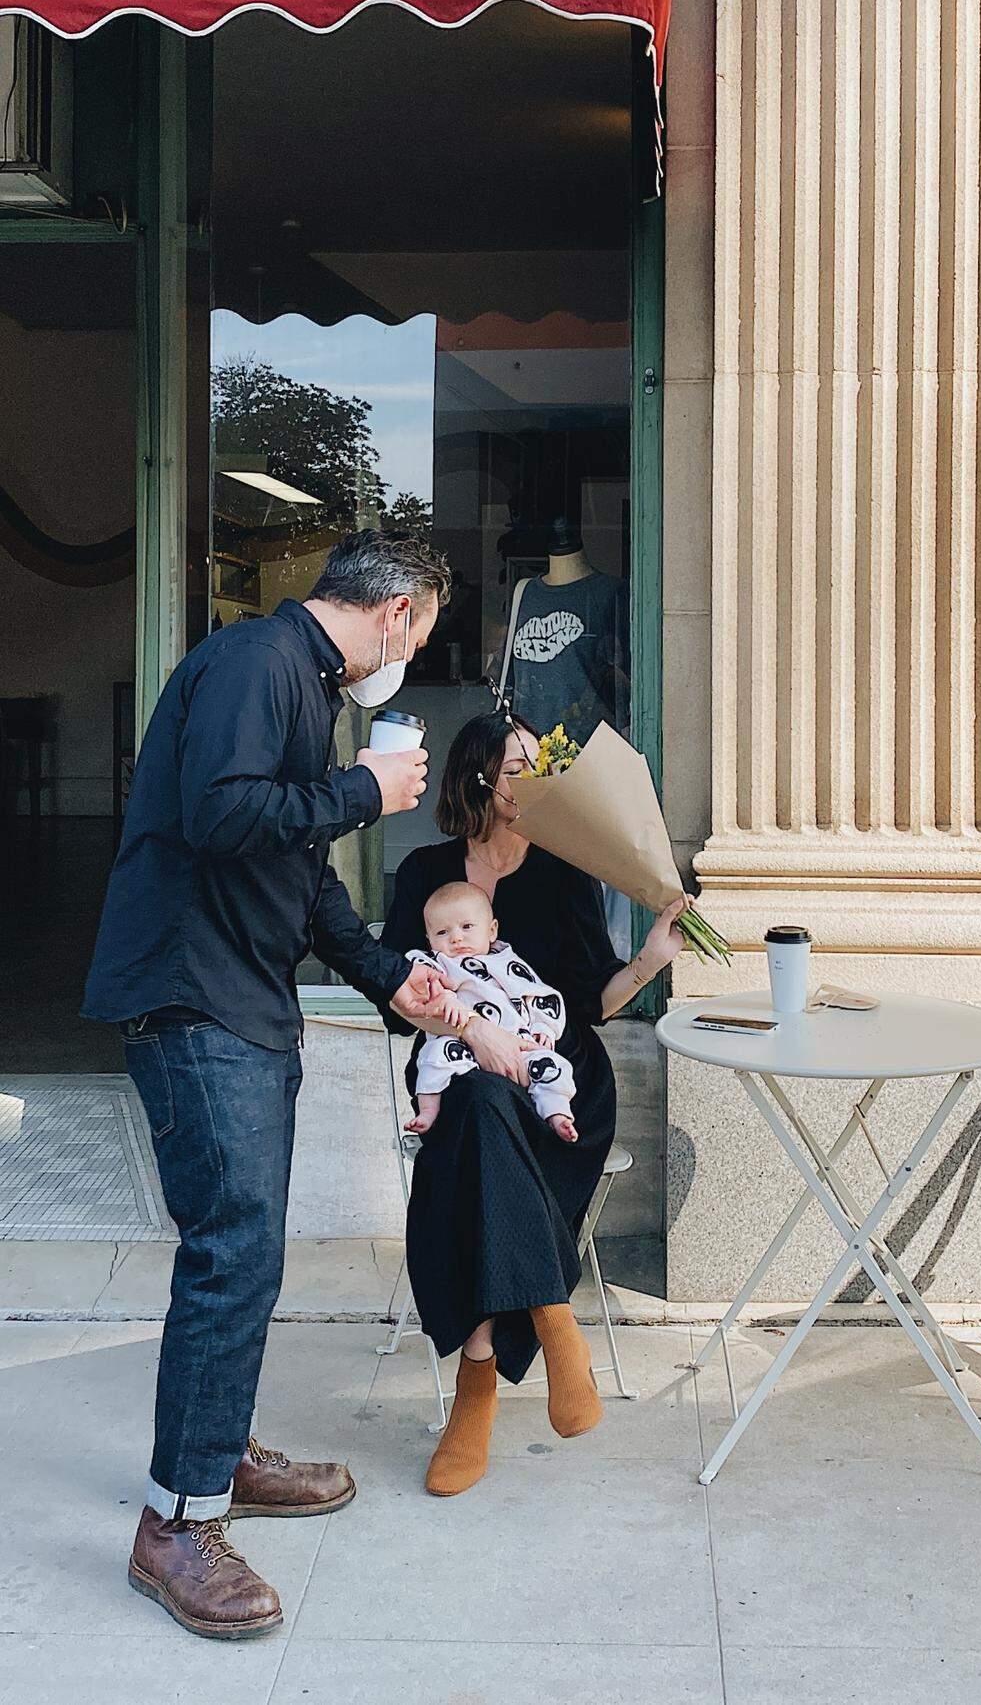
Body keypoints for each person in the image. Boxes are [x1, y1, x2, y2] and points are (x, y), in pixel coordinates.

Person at [82, 531, 452, 1641]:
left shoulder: (302, 688)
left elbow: (302, 888)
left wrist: (398, 978)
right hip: (194, 1001)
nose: (413, 651)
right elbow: (223, 813)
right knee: (230, 1252)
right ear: (396, 617)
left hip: (241, 1004)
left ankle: (220, 1453)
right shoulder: (256, 666)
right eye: (422, 633)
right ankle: (175, 1526)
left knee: (246, 1253)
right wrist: (365, 789)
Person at [380, 709, 689, 1498]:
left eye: (541, 769)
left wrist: (651, 961)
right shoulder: (424, 873)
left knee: (476, 1148)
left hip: (562, 1089)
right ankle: (554, 1319)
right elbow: (395, 999)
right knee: (480, 1105)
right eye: (519, 768)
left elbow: (592, 998)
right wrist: (473, 1027)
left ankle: (474, 1386)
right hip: (460, 1075)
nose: (534, 784)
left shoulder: (561, 867)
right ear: (479, 779)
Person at [407, 880, 577, 1142]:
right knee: (434, 1056)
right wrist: (444, 998)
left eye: (466, 927)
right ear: (429, 940)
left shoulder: (508, 962)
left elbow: (542, 996)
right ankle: (429, 1111)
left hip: (517, 1044)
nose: (456, 938)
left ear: (492, 930)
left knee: (554, 1065)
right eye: (442, 932)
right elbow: (414, 982)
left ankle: (556, 1113)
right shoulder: (437, 964)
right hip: (460, 1044)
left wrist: (544, 1029)